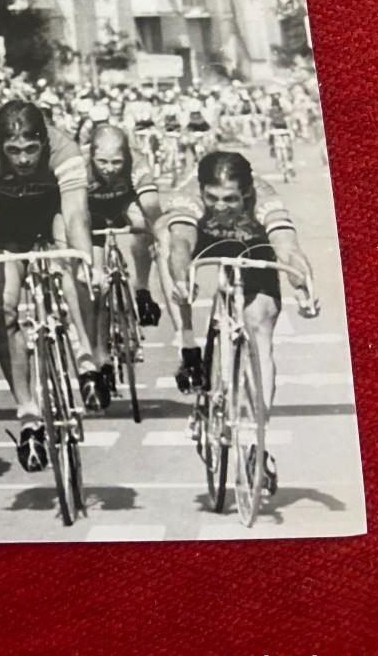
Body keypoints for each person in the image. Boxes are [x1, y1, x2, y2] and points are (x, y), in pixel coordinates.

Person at [157, 152, 317, 493]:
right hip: (203, 240)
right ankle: (189, 348)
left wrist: (304, 287)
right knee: (167, 248)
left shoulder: (266, 199)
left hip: (252, 242)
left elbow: (288, 249)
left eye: (230, 199)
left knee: (261, 323)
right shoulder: (189, 196)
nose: (220, 206)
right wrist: (183, 275)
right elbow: (183, 242)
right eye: (212, 198)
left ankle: (256, 440)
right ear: (202, 191)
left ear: (246, 193)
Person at [0, 101, 103, 473]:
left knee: (71, 262)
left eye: (31, 149)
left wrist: (85, 259)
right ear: (0, 146)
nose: (23, 159)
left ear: (44, 141)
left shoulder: (65, 147)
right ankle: (28, 413)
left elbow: (76, 215)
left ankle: (87, 359)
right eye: (13, 151)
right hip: (6, 223)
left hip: (52, 212)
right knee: (3, 305)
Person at [84, 125, 165, 386]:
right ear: (91, 154)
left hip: (124, 204)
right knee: (95, 287)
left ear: (127, 156)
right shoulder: (78, 163)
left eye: (117, 162)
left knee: (144, 230)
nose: (109, 168)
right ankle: (101, 355)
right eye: (102, 162)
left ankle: (141, 289)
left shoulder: (137, 161)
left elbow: (151, 204)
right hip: (90, 210)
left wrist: (159, 234)